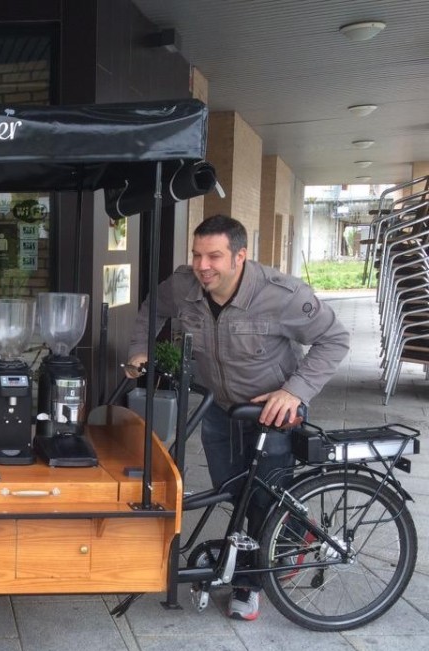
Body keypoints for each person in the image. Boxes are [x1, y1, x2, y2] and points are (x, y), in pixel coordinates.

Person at [125, 214, 350, 621]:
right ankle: (293, 530)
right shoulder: (184, 285)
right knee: (231, 490)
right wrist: (141, 348)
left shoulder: (280, 294)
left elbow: (334, 338)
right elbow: (152, 307)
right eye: (197, 254)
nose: (203, 265)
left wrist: (294, 391)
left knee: (262, 496)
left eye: (214, 256)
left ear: (240, 256)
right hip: (219, 409)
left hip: (271, 413)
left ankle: (250, 584)